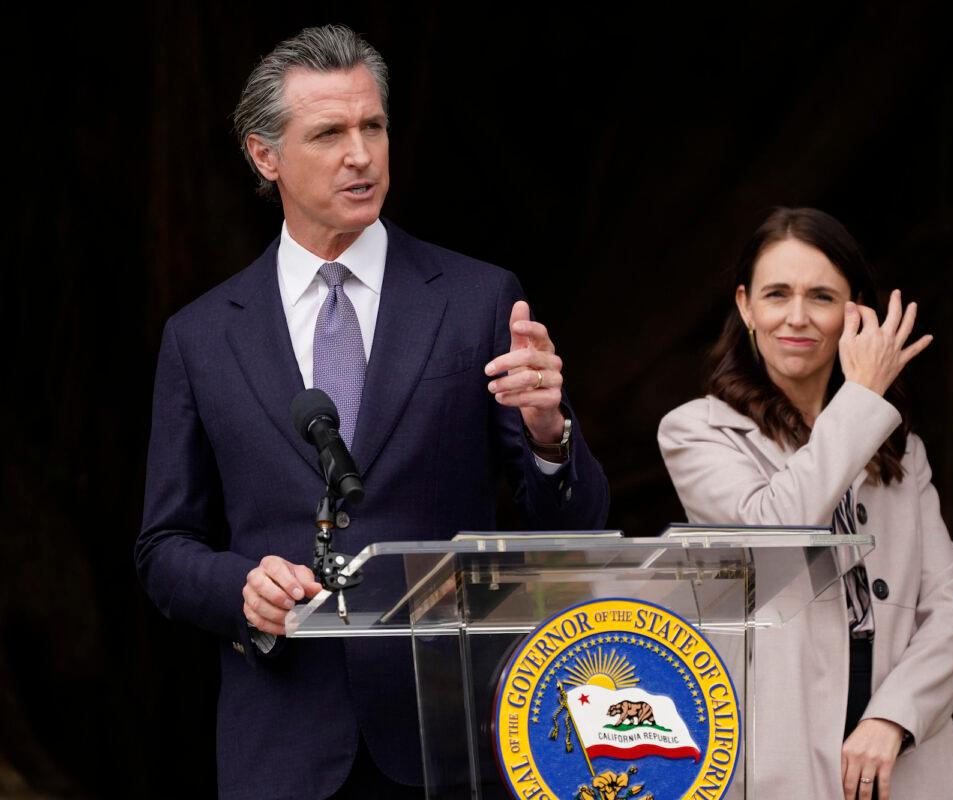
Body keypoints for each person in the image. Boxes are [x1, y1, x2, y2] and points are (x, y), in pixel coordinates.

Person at [135, 24, 609, 800]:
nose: (361, 154)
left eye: (374, 126)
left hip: (450, 737)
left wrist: (550, 435)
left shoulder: (477, 299)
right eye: (329, 132)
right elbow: (163, 547)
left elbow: (575, 532)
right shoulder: (201, 335)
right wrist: (241, 589)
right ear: (266, 157)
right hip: (282, 740)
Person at [658, 208, 953, 799]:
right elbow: (770, 532)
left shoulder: (899, 448)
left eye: (822, 296)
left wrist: (895, 717)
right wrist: (859, 397)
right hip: (778, 748)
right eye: (777, 294)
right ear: (746, 306)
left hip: (903, 757)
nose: (797, 317)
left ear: (853, 311)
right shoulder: (697, 431)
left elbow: (951, 601)